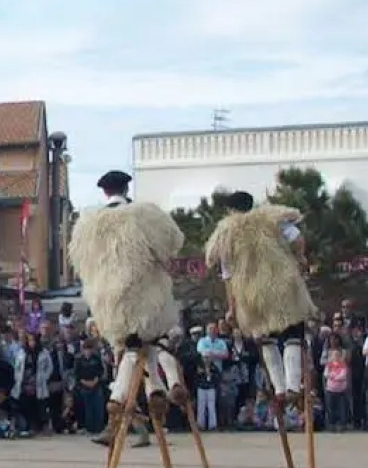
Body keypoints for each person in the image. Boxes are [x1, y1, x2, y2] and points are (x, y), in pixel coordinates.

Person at [67, 170, 187, 448]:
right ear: (125, 188)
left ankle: (127, 398)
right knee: (145, 342)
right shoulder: (143, 215)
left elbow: (81, 262)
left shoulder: (89, 222)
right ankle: (148, 391)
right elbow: (172, 244)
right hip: (142, 292)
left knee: (134, 347)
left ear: (105, 192)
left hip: (107, 299)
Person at [204, 190, 316, 419]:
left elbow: (227, 275)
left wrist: (232, 308)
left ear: (229, 210)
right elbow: (298, 239)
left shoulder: (226, 233)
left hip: (250, 291)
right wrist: (299, 259)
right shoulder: (270, 219)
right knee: (292, 332)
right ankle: (293, 385)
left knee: (266, 338)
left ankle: (280, 388)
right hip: (281, 282)